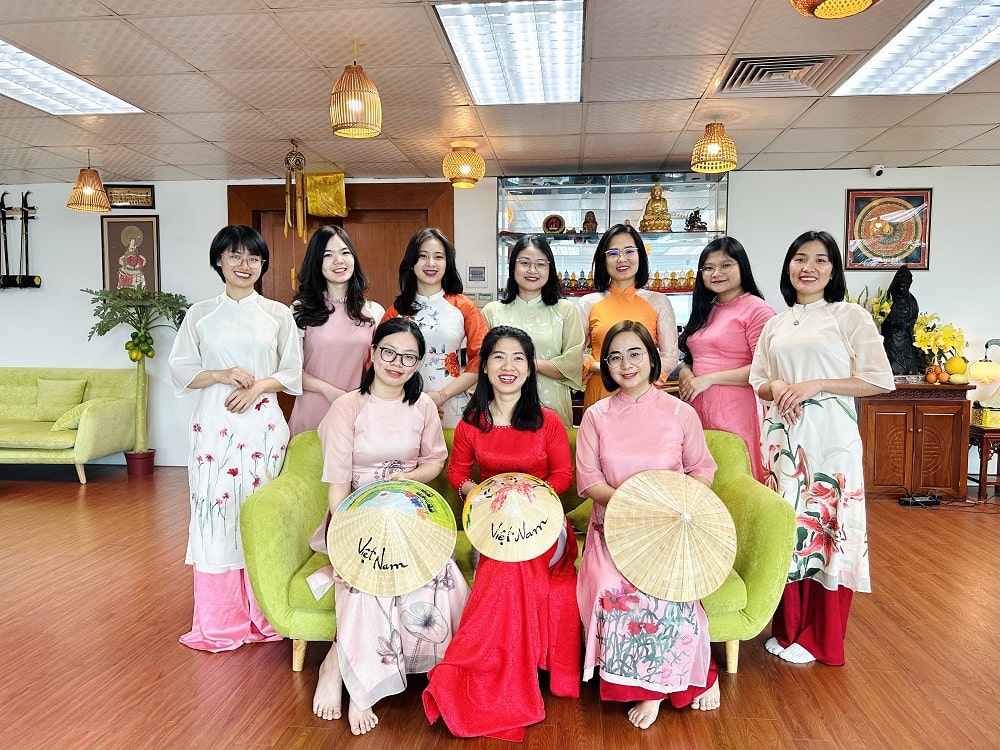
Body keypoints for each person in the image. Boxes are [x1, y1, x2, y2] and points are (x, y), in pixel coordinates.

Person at [311, 317, 470, 734]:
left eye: (408, 357)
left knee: (441, 577)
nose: (397, 363)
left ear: (419, 363)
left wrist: (406, 479)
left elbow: (434, 461)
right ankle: (346, 675)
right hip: (356, 513)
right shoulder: (348, 407)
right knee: (367, 580)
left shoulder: (423, 407)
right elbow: (338, 485)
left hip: (409, 512)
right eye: (389, 352)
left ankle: (430, 671)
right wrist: (343, 540)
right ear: (373, 353)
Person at [423, 326, 579, 741]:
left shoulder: (548, 421)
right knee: (504, 561)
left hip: (544, 526)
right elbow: (457, 474)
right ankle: (492, 671)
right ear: (485, 367)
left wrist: (525, 496)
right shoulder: (472, 424)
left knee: (513, 562)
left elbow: (564, 475)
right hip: (492, 526)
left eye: (518, 358)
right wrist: (476, 492)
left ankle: (491, 670)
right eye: (498, 357)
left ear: (529, 368)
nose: (508, 366)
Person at [749, 230, 894, 666]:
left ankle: (820, 639)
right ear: (788, 266)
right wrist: (777, 385)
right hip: (782, 440)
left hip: (829, 441)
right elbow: (758, 381)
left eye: (820, 260)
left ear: (833, 271)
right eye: (799, 258)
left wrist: (818, 384)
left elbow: (878, 379)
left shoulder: (848, 316)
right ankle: (789, 629)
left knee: (825, 529)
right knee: (788, 528)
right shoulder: (776, 323)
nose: (808, 267)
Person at [576, 320, 720, 730]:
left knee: (670, 592)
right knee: (612, 589)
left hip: (667, 532)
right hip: (612, 532)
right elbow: (589, 481)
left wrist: (672, 506)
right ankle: (640, 685)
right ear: (606, 366)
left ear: (652, 358)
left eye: (635, 353)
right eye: (615, 357)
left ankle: (665, 687)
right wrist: (634, 506)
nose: (626, 364)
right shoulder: (596, 416)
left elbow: (702, 469)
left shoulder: (680, 412)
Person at [168, 225, 303, 652]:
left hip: (263, 427)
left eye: (254, 258)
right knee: (216, 515)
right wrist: (221, 375)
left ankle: (266, 614)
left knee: (261, 513)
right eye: (235, 257)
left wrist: (258, 386)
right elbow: (181, 370)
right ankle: (221, 620)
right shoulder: (200, 314)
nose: (245, 265)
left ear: (263, 265)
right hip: (214, 429)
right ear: (219, 262)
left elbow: (291, 372)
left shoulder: (278, 314)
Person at [678, 237, 775, 482]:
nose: (716, 273)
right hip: (699, 406)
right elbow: (694, 354)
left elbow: (765, 369)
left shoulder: (758, 310)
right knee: (703, 476)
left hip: (737, 408)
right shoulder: (707, 308)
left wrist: (709, 379)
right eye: (708, 268)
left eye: (726, 265)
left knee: (735, 475)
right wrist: (687, 371)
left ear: (742, 266)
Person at [381, 227, 488, 428]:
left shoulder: (464, 307)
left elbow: (483, 358)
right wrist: (412, 400)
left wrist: (441, 395)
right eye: (423, 256)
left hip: (452, 409)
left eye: (438, 257)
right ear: (411, 262)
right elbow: (378, 363)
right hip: (405, 408)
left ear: (447, 263)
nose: (431, 263)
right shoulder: (396, 310)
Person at [287, 225, 384, 436]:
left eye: (345, 252)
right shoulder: (300, 310)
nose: (338, 260)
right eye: (328, 255)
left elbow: (382, 367)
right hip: (312, 410)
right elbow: (289, 370)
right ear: (316, 262)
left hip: (358, 411)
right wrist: (329, 390)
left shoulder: (374, 311)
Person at [483, 235, 584, 427]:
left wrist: (523, 363)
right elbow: (482, 365)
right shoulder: (492, 312)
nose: (532, 270)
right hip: (502, 413)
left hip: (553, 409)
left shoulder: (565, 310)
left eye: (540, 264)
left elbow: (573, 365)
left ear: (550, 269)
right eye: (525, 263)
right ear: (513, 267)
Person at [578, 223, 678, 412]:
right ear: (603, 260)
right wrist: (601, 368)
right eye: (613, 253)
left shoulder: (659, 302)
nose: (622, 259)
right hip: (602, 391)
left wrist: (641, 375)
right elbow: (574, 352)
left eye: (629, 251)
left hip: (644, 395)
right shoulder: (587, 303)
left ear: (640, 255)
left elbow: (670, 355)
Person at [880, 266, 924, 375]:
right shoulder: (888, 299)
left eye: (906, 286)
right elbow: (882, 318)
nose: (903, 289)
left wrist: (908, 323)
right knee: (891, 360)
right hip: (893, 337)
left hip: (906, 336)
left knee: (910, 363)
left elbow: (914, 316)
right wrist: (894, 323)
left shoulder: (911, 300)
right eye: (901, 286)